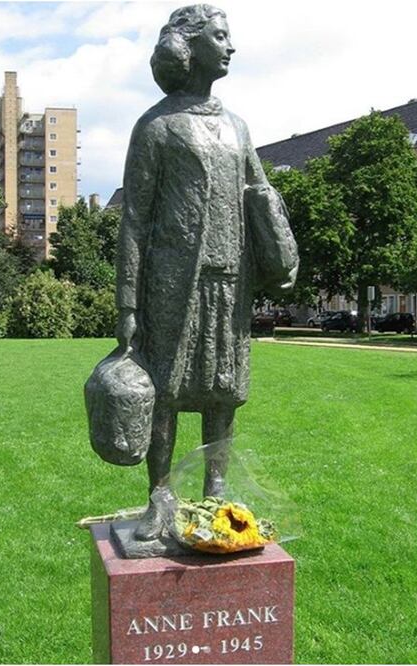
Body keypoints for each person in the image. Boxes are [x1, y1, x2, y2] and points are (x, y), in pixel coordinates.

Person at [116, 5, 285, 540]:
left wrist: (278, 247)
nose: (230, 46)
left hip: (230, 279)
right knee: (165, 387)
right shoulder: (157, 126)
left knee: (224, 388)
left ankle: (215, 491)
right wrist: (127, 303)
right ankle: (160, 494)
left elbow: (260, 196)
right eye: (220, 36)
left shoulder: (237, 127)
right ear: (189, 48)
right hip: (171, 282)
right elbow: (135, 220)